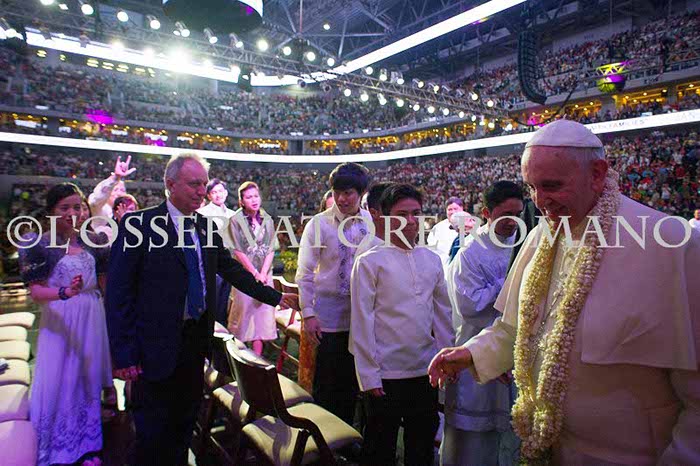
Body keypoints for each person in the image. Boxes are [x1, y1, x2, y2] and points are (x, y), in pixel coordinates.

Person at [429, 120, 700, 464]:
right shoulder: (541, 237)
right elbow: (517, 329)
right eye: (532, 187)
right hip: (552, 448)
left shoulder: (672, 245)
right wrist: (471, 353)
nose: (540, 201)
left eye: (552, 186)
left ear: (597, 173)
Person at [106, 153, 298, 465]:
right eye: (194, 184)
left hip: (194, 342)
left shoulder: (206, 226)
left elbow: (230, 270)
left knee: (184, 421)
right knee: (152, 431)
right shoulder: (138, 225)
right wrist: (123, 355)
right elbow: (118, 294)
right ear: (170, 184)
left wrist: (274, 296)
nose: (201, 191)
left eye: (203, 184)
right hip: (153, 346)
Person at [350, 183, 454, 466]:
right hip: (385, 374)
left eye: (415, 213)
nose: (410, 221)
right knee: (380, 447)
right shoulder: (370, 262)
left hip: (424, 369)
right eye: (401, 214)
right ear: (384, 218)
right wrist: (369, 375)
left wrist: (447, 357)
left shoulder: (431, 260)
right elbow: (362, 322)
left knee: (421, 446)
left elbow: (443, 316)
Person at [18, 183, 113, 466]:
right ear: (51, 211)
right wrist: (64, 292)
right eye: (65, 208)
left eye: (77, 207)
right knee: (64, 379)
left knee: (86, 378)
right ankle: (61, 447)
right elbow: (36, 293)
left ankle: (87, 442)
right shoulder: (38, 244)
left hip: (92, 315)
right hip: (61, 319)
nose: (73, 213)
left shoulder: (93, 240)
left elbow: (105, 282)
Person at [442, 181, 524, 466]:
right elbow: (469, 306)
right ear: (487, 213)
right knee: (473, 438)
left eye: (518, 214)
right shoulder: (471, 252)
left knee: (511, 432)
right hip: (476, 346)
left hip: (513, 350)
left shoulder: (522, 243)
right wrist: (508, 286)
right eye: (506, 215)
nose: (512, 222)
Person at [296, 162, 372, 424]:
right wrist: (308, 313)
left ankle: (346, 437)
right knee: (326, 384)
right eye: (337, 192)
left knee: (352, 385)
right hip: (326, 318)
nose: (341, 199)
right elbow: (304, 272)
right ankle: (322, 436)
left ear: (361, 193)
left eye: (348, 192)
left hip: (361, 318)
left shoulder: (372, 223)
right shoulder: (318, 224)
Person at [227, 181, 277, 355]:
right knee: (244, 318)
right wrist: (254, 273)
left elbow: (271, 249)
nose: (254, 200)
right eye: (249, 197)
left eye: (256, 196)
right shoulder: (235, 220)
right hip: (244, 276)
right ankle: (238, 359)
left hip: (265, 275)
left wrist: (263, 273)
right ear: (241, 201)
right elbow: (238, 251)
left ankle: (257, 360)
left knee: (262, 320)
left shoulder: (267, 219)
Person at [197, 179, 236, 327]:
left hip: (230, 263)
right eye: (214, 192)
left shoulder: (234, 215)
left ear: (226, 193)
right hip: (211, 264)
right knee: (211, 302)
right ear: (208, 196)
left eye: (220, 191)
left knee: (224, 302)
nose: (218, 195)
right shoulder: (202, 214)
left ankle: (221, 333)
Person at [89, 155, 136, 237]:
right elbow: (95, 200)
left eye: (122, 190)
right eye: (116, 190)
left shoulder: (130, 212)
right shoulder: (100, 210)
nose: (119, 193)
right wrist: (115, 178)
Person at [428, 197, 465, 267]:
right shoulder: (437, 228)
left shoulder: (472, 226)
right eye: (450, 209)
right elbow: (431, 251)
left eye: (455, 209)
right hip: (443, 268)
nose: (453, 212)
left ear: (462, 209)